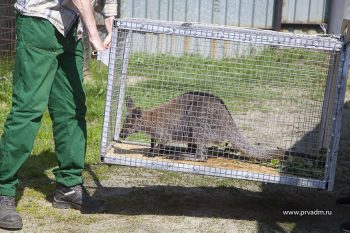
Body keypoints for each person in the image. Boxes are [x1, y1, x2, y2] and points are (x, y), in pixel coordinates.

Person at [0, 0, 117, 230]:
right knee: (28, 109)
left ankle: (69, 186)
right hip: (39, 22)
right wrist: (94, 33)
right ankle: (3, 189)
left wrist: (111, 25)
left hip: (72, 26)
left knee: (72, 108)